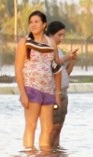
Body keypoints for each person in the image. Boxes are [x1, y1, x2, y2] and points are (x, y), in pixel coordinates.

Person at [14, 10, 62, 149]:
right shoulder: (25, 42)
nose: (33, 24)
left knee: (47, 128)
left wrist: (57, 93)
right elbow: (18, 69)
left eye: (36, 22)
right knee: (31, 125)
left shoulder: (51, 43)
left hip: (47, 89)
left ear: (44, 24)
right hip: (31, 88)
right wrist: (22, 93)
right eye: (31, 22)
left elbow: (57, 69)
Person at [47, 21, 78, 148]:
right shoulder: (48, 48)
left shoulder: (58, 50)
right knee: (54, 125)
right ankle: (47, 150)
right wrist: (66, 57)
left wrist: (72, 60)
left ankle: (55, 151)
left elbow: (66, 72)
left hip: (63, 91)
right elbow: (53, 65)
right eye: (59, 35)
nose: (61, 38)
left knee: (59, 125)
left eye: (63, 35)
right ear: (51, 34)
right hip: (54, 92)